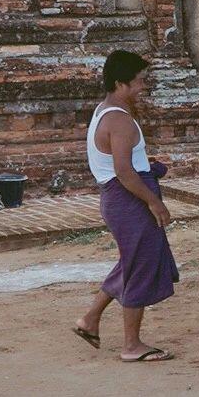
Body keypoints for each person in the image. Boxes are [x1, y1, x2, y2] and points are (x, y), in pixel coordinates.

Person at [73, 50, 179, 362]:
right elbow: (124, 172)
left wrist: (150, 168)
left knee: (132, 261)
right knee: (141, 266)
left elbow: (125, 164)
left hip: (119, 198)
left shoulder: (106, 110)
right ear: (121, 83)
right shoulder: (118, 120)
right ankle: (132, 345)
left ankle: (90, 320)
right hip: (128, 199)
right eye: (138, 82)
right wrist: (154, 202)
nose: (142, 87)